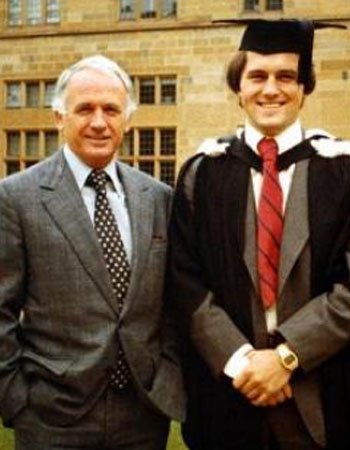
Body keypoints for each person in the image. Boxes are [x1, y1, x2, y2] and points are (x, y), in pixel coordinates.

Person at [168, 19, 350, 450]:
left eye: (286, 76)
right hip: (231, 395)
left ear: (305, 86)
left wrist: (289, 356)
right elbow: (184, 281)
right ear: (239, 87)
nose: (271, 90)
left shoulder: (342, 172)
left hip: (324, 396)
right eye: (257, 77)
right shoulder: (202, 173)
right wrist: (242, 362)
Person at [0, 54, 185, 450]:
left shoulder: (158, 198)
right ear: (58, 118)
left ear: (127, 120)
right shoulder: (17, 197)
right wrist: (16, 399)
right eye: (85, 109)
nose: (99, 122)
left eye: (111, 110)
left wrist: (166, 376)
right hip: (51, 420)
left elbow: (172, 301)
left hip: (143, 415)